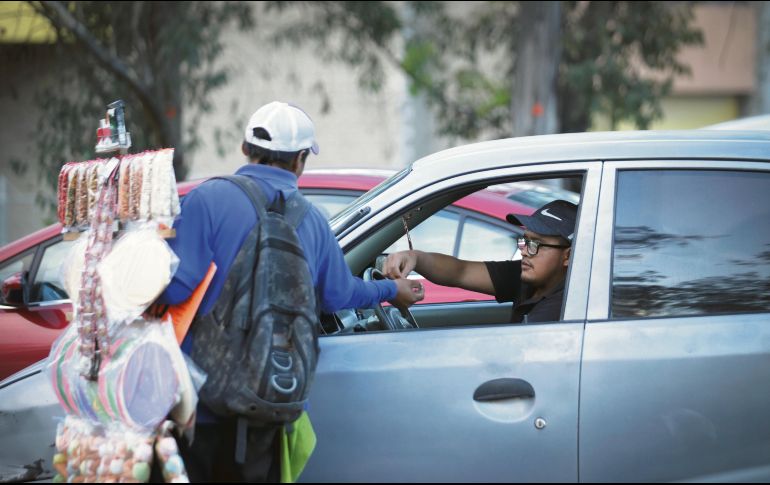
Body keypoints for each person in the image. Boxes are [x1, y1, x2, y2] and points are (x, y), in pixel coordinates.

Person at [157, 101, 424, 482]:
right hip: (269, 398)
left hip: (201, 402)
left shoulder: (207, 199)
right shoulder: (312, 221)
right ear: (300, 159)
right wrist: (390, 289)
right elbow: (338, 294)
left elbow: (175, 288)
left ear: (245, 149)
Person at [384, 199, 577, 324]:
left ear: (567, 256)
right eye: (525, 240)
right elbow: (460, 271)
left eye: (536, 244)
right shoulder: (528, 276)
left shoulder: (563, 308)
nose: (524, 251)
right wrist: (415, 257)